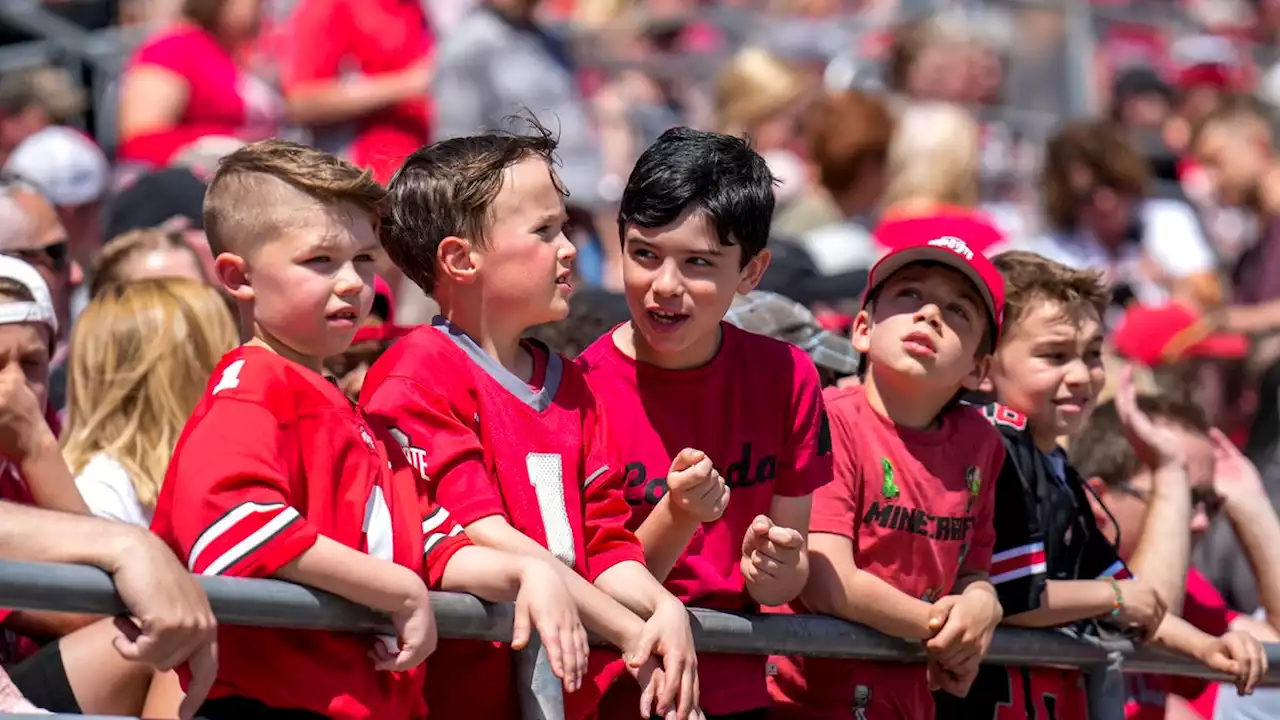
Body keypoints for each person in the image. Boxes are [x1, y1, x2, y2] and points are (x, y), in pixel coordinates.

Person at [151, 139, 587, 720]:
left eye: (362, 259)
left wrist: (527, 571)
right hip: (270, 704)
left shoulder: (345, 407)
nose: (355, 283)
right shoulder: (252, 384)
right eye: (320, 261)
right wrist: (396, 591)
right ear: (238, 276)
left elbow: (425, 537)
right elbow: (236, 526)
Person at [363, 121, 699, 720]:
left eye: (563, 226)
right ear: (460, 258)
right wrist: (628, 632)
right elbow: (482, 532)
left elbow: (605, 544)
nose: (569, 248)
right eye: (544, 231)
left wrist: (660, 608)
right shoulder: (417, 372)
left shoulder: (574, 385)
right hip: (461, 699)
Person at [575, 128, 832, 720]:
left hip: (738, 691)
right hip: (617, 692)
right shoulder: (576, 390)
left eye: (698, 263)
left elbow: (780, 586)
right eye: (644, 254)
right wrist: (680, 511)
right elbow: (596, 581)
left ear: (751, 271)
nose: (665, 286)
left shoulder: (788, 377)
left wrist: (776, 567)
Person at [937, 251, 1259, 720]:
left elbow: (1123, 590)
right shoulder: (993, 443)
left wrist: (1207, 648)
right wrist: (1115, 598)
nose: (1081, 375)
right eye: (1054, 355)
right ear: (983, 366)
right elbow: (1015, 595)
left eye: (1092, 354)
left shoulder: (1054, 463)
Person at [768, 230, 1008, 719]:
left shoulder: (983, 445)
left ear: (979, 369)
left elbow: (973, 569)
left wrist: (984, 605)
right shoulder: (830, 419)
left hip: (905, 704)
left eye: (958, 310)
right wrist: (944, 631)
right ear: (861, 328)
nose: (929, 314)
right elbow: (827, 582)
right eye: (910, 294)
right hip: (802, 703)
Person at [1072, 396, 1275, 719]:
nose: (1201, 521)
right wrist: (1169, 471)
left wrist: (1252, 505)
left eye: (1208, 502)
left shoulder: (1188, 588)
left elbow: (1276, 644)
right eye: (1181, 497)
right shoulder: (1062, 572)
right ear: (1099, 500)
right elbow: (1144, 615)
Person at [63, 278, 238, 527]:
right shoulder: (101, 494)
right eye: (223, 351)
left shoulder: (225, 471)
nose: (238, 364)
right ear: (179, 373)